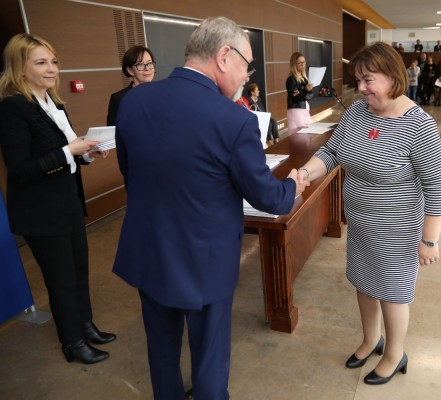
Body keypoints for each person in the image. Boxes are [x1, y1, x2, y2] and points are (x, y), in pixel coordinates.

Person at [112, 17, 306, 400]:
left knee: (161, 349)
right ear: (223, 56)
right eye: (246, 64)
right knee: (209, 355)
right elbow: (266, 197)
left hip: (149, 249)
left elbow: (129, 171)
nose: (246, 74)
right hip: (205, 256)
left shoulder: (135, 100)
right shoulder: (233, 119)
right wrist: (292, 187)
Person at [296, 41, 441, 386]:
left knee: (393, 294)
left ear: (393, 77)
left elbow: (436, 186)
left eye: (368, 80)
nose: (361, 89)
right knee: (364, 285)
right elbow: (333, 151)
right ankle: (370, 339)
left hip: (397, 230)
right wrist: (304, 174)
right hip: (362, 226)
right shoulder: (358, 112)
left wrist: (429, 239)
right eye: (358, 81)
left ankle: (395, 354)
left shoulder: (419, 126)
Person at [0, 33, 114, 364]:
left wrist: (88, 154)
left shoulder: (54, 103)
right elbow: (20, 170)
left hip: (67, 203)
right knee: (61, 278)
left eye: (53, 62)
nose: (51, 69)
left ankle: (86, 326)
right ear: (20, 68)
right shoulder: (12, 108)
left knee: (78, 270)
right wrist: (69, 150)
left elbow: (68, 151)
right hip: (40, 211)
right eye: (41, 62)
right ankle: (73, 342)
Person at [106, 45, 155, 125]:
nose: (147, 68)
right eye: (140, 65)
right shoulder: (119, 99)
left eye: (149, 63)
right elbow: (113, 131)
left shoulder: (163, 93)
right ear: (130, 70)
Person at [286, 51, 314, 134]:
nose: (303, 64)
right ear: (294, 64)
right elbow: (296, 98)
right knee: (302, 137)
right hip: (296, 111)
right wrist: (305, 90)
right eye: (300, 62)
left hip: (304, 110)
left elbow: (311, 95)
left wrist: (304, 92)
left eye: (304, 62)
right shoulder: (291, 80)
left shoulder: (304, 78)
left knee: (306, 137)